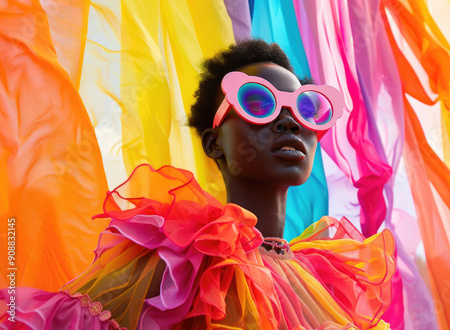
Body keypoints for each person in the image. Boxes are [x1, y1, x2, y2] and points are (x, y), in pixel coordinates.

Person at [0, 40, 395, 329]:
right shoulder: (181, 262)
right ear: (214, 143)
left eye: (306, 109)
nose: (290, 122)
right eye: (258, 103)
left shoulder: (331, 286)